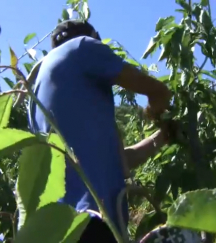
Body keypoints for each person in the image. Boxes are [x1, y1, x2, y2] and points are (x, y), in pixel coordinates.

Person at [27, 19, 173, 242]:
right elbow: (154, 89)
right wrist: (158, 104)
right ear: (93, 35)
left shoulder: (37, 96)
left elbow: (119, 159)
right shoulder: (82, 47)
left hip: (56, 226)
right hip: (92, 218)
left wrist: (161, 137)